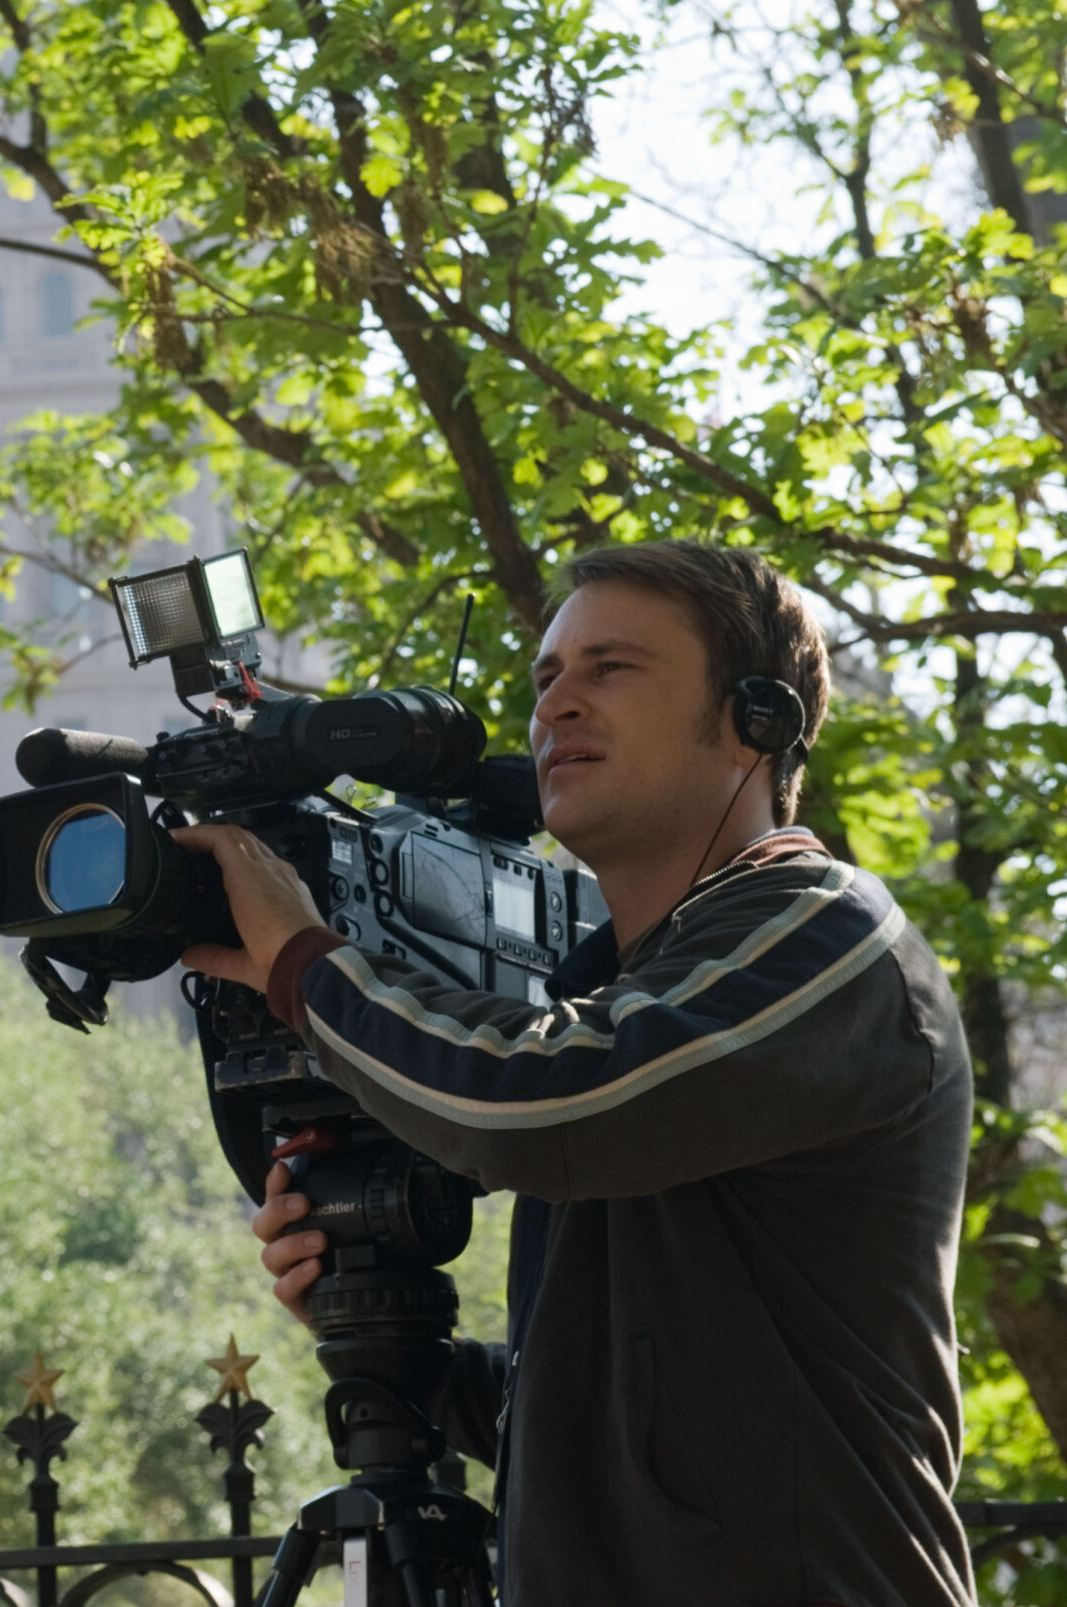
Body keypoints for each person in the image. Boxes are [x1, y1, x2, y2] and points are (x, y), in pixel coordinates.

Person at [178, 541, 974, 1606]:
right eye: (547, 678)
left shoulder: (824, 932)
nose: (557, 706)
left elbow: (547, 1101)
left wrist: (307, 967)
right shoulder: (610, 997)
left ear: (757, 718)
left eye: (611, 668)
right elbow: (616, 1420)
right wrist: (380, 1328)